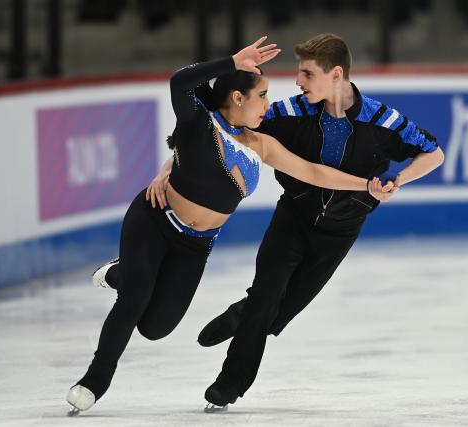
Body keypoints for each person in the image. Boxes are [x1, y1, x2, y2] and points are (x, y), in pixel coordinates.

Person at [66, 36, 390, 415]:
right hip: (153, 220)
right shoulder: (198, 120)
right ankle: (94, 380)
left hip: (196, 244)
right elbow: (179, 82)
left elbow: (314, 171)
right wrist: (232, 61)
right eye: (263, 96)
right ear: (238, 98)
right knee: (134, 301)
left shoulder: (260, 143)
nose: (268, 105)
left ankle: (123, 274)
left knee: (156, 327)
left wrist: (365, 185)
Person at [179, 33, 445, 409]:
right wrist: (170, 160)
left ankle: (243, 313)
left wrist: (397, 180)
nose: (298, 81)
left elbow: (433, 153)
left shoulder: (383, 121)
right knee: (266, 298)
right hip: (292, 218)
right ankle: (229, 385)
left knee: (278, 314)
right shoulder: (289, 112)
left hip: (339, 233)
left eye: (306, 73)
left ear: (335, 75)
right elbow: (214, 114)